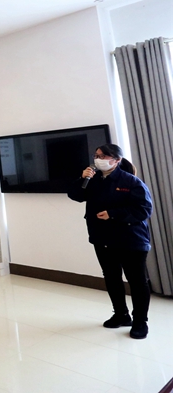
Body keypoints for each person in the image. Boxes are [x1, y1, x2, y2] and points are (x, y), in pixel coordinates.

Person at [68, 143, 153, 339]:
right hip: (103, 238)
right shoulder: (93, 180)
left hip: (131, 240)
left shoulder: (131, 181)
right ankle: (121, 315)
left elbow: (143, 210)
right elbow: (75, 196)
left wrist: (113, 214)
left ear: (117, 160)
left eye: (104, 156)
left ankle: (140, 322)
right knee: (112, 278)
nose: (99, 159)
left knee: (137, 282)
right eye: (97, 155)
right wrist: (82, 179)